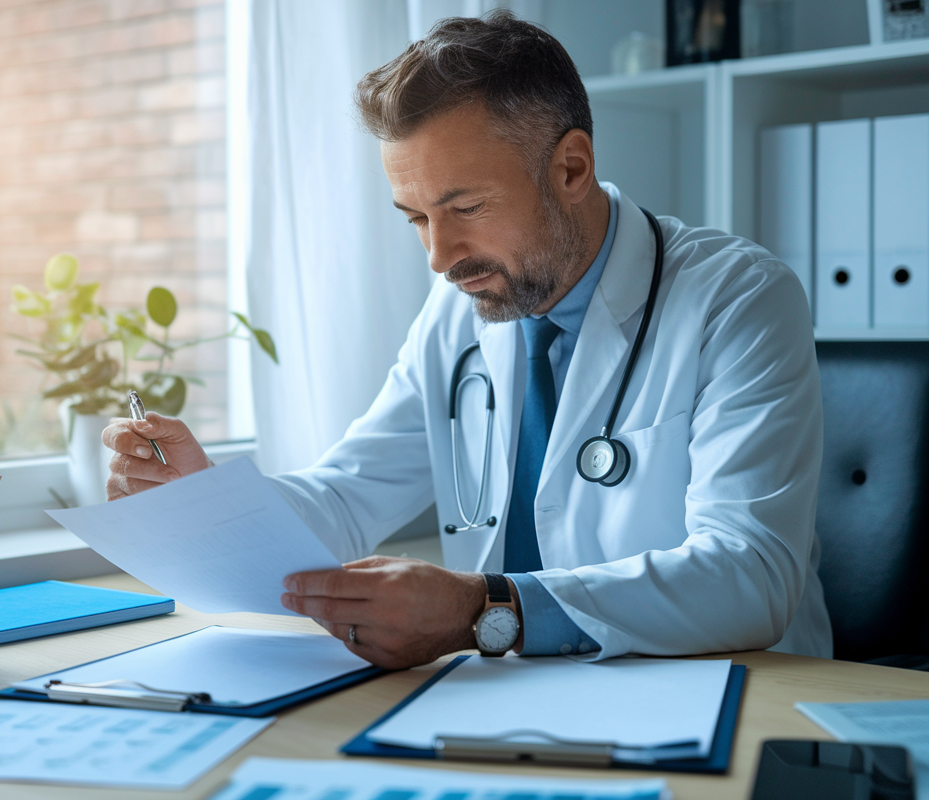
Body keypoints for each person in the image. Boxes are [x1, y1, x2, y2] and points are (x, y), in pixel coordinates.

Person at [100, 10, 832, 670]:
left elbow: (750, 575)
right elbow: (350, 494)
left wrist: (482, 608)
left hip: (723, 692)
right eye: (415, 217)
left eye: (467, 207)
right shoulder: (465, 305)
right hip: (515, 694)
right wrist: (212, 500)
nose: (440, 256)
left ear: (571, 168)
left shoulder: (738, 298)